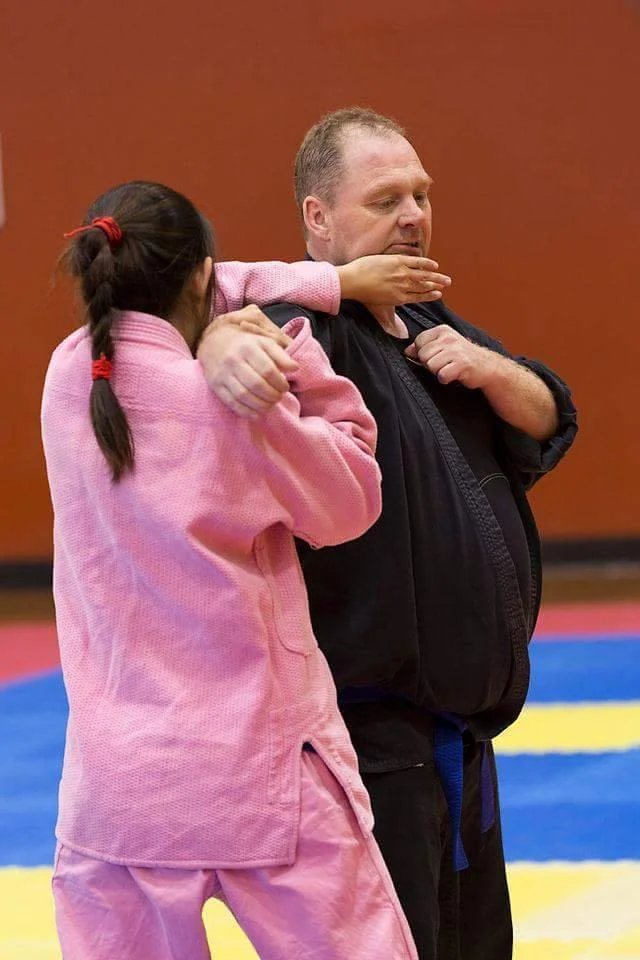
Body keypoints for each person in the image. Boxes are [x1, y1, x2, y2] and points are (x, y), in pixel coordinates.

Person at [200, 109, 578, 960]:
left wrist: (489, 369)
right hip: (373, 738)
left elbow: (551, 414)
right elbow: (195, 297)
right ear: (318, 219)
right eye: (385, 199)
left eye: (421, 194)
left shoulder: (429, 324)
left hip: (463, 730)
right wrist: (224, 340)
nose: (413, 214)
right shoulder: (295, 332)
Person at [42, 179, 423, 960]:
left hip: (116, 793)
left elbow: (193, 294)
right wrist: (289, 358)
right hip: (260, 776)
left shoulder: (67, 377)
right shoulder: (234, 403)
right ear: (200, 278)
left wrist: (218, 325)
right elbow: (349, 501)